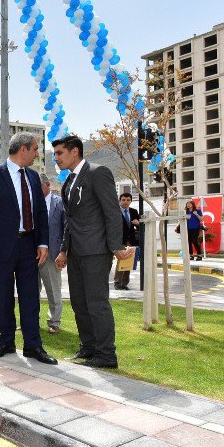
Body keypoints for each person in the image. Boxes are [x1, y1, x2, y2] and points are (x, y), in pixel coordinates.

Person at [53, 135, 133, 369]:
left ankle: (106, 354)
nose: (56, 158)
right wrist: (64, 250)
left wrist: (116, 246)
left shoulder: (98, 173)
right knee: (79, 302)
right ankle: (88, 347)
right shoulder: (68, 182)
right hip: (76, 252)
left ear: (75, 151)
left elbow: (112, 212)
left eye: (59, 153)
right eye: (54, 154)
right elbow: (70, 219)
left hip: (96, 250)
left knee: (97, 302)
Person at [0, 133, 57, 365]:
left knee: (31, 297)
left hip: (29, 246)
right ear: (24, 149)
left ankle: (33, 346)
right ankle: (6, 342)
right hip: (1, 248)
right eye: (35, 149)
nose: (37, 154)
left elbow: (41, 214)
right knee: (4, 296)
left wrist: (43, 243)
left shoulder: (33, 177)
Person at [38, 173, 65, 334]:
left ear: (47, 184)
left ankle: (54, 321)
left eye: (39, 186)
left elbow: (65, 230)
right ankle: (30, 319)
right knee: (30, 290)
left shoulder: (60, 203)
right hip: (32, 255)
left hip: (52, 254)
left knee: (53, 290)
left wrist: (63, 252)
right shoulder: (31, 202)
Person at [113, 193, 140, 290]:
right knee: (121, 260)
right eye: (123, 200)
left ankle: (124, 283)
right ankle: (117, 282)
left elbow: (139, 226)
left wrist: (138, 224)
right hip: (119, 240)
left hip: (131, 240)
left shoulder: (133, 211)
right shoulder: (115, 211)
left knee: (129, 260)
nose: (126, 202)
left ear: (130, 201)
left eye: (128, 200)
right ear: (119, 200)